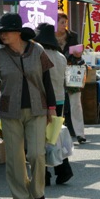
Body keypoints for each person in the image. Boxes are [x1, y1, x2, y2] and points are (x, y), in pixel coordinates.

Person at [0, 13, 56, 199]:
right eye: (1, 33)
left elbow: (47, 81)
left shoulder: (38, 51)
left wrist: (52, 108)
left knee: (36, 154)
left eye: (6, 32)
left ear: (18, 32)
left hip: (37, 109)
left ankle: (38, 192)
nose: (3, 35)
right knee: (15, 159)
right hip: (9, 111)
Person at [34, 23, 74, 185]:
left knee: (40, 137)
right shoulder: (60, 56)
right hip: (59, 100)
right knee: (54, 136)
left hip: (43, 100)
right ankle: (63, 170)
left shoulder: (39, 55)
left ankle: (45, 174)